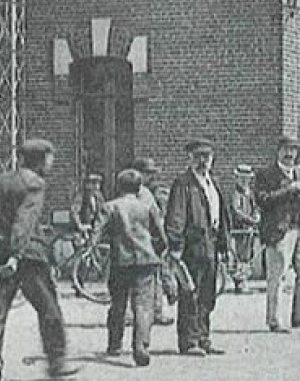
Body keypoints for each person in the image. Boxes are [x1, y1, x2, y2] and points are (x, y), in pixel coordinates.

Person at [0, 138, 75, 381]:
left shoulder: (0, 181)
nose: (52, 163)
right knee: (49, 309)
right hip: (27, 257)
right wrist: (16, 253)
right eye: (50, 158)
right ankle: (56, 364)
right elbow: (24, 222)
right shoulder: (34, 184)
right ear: (40, 159)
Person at [164, 139, 233, 356]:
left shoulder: (214, 184)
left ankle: (203, 337)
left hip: (211, 246)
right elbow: (176, 216)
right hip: (191, 247)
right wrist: (175, 246)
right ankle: (189, 341)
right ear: (190, 158)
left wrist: (225, 244)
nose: (203, 161)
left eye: (207, 156)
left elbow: (222, 216)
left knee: (207, 294)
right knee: (189, 294)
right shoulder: (183, 184)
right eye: (198, 156)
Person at [92, 168, 167, 366]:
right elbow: (161, 236)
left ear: (118, 186)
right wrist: (155, 251)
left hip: (120, 261)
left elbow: (96, 233)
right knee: (143, 306)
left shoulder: (110, 207)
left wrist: (93, 249)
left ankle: (115, 344)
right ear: (138, 187)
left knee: (118, 303)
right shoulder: (146, 207)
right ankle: (141, 346)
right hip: (146, 261)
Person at [254, 136, 300, 332]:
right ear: (278, 151)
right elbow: (262, 200)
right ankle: (275, 319)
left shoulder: (299, 172)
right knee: (277, 275)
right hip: (279, 231)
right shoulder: (266, 175)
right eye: (286, 150)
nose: (290, 154)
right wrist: (287, 190)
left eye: (292, 150)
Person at [132, 157, 176, 326]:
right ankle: (134, 314)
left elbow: (159, 215)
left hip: (151, 239)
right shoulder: (139, 192)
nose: (150, 177)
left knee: (155, 276)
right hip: (141, 239)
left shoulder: (151, 191)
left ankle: (157, 311)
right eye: (147, 173)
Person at [227, 164, 259, 293]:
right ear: (237, 179)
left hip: (249, 230)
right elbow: (236, 211)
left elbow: (255, 206)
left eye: (247, 179)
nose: (245, 181)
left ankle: (243, 280)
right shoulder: (235, 194)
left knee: (248, 255)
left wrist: (257, 215)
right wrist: (250, 220)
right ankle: (239, 282)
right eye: (242, 178)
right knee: (239, 255)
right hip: (238, 230)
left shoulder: (250, 193)